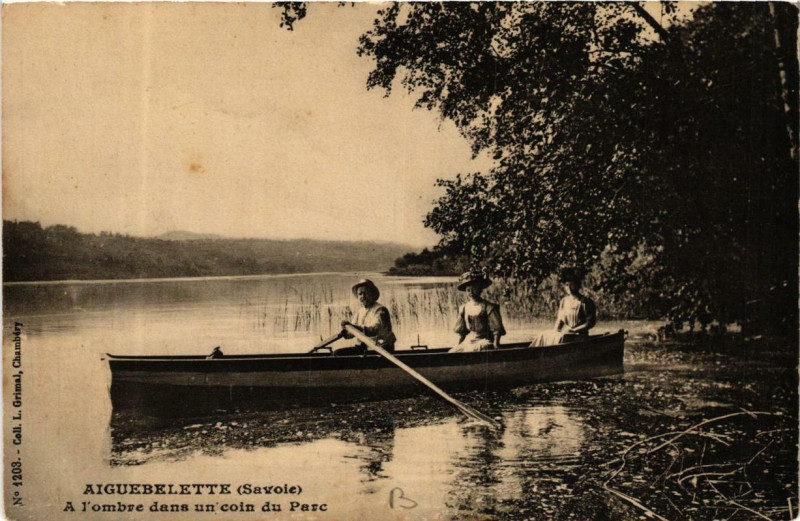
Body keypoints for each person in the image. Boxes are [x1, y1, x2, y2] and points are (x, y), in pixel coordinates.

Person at [530, 267, 597, 347]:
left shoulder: (585, 302)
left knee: (562, 338)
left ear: (578, 285)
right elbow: (560, 320)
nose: (569, 287)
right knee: (543, 335)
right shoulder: (564, 301)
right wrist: (554, 332)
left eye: (571, 284)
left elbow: (590, 323)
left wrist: (574, 330)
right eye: (566, 285)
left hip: (579, 336)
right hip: (567, 334)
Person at [449, 271, 506, 352]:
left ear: (480, 289)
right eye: (468, 290)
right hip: (470, 342)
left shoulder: (489, 307)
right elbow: (462, 332)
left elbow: (497, 330)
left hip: (485, 342)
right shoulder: (464, 308)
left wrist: (496, 344)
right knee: (453, 352)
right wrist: (457, 345)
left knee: (481, 347)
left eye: (474, 289)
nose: (471, 292)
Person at [338, 279, 396, 355]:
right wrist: (346, 331)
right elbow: (353, 332)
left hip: (381, 348)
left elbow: (373, 330)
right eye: (360, 294)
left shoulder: (381, 310)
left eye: (366, 293)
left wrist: (354, 327)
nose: (363, 297)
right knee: (337, 353)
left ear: (372, 294)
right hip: (365, 347)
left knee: (338, 355)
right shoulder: (360, 311)